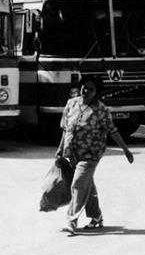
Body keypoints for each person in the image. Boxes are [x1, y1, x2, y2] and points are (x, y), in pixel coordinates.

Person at [56, 76, 134, 234]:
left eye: (91, 89)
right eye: (84, 87)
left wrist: (125, 150)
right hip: (73, 154)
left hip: (91, 154)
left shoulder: (101, 110)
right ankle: (96, 216)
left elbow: (113, 131)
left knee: (78, 184)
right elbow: (65, 129)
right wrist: (61, 150)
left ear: (96, 92)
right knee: (87, 185)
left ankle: (72, 220)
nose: (86, 91)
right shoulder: (71, 104)